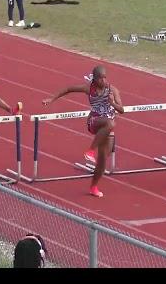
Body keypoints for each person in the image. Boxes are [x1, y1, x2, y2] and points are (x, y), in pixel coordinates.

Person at [43, 66, 124, 198]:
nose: (104, 80)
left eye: (105, 77)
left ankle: (93, 187)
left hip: (107, 128)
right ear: (95, 78)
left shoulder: (112, 90)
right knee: (110, 123)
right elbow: (68, 89)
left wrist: (112, 103)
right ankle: (90, 151)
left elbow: (122, 110)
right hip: (94, 122)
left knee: (102, 161)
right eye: (101, 78)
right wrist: (51, 99)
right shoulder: (88, 88)